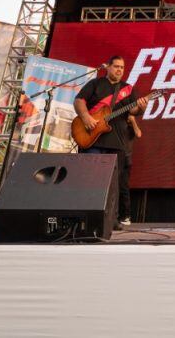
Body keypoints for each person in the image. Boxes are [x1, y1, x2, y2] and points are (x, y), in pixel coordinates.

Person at [74, 55, 147, 229]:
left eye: (122, 67)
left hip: (117, 143)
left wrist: (141, 107)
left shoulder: (128, 89)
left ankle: (111, 220)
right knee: (89, 180)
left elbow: (134, 110)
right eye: (116, 66)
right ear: (108, 67)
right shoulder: (95, 84)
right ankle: (85, 217)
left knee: (113, 184)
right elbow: (79, 101)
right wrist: (85, 117)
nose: (119, 70)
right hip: (92, 140)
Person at [120, 115, 143, 227]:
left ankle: (126, 216)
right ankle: (117, 215)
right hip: (115, 158)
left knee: (123, 187)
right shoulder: (118, 125)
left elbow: (139, 134)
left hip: (126, 159)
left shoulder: (131, 127)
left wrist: (133, 121)